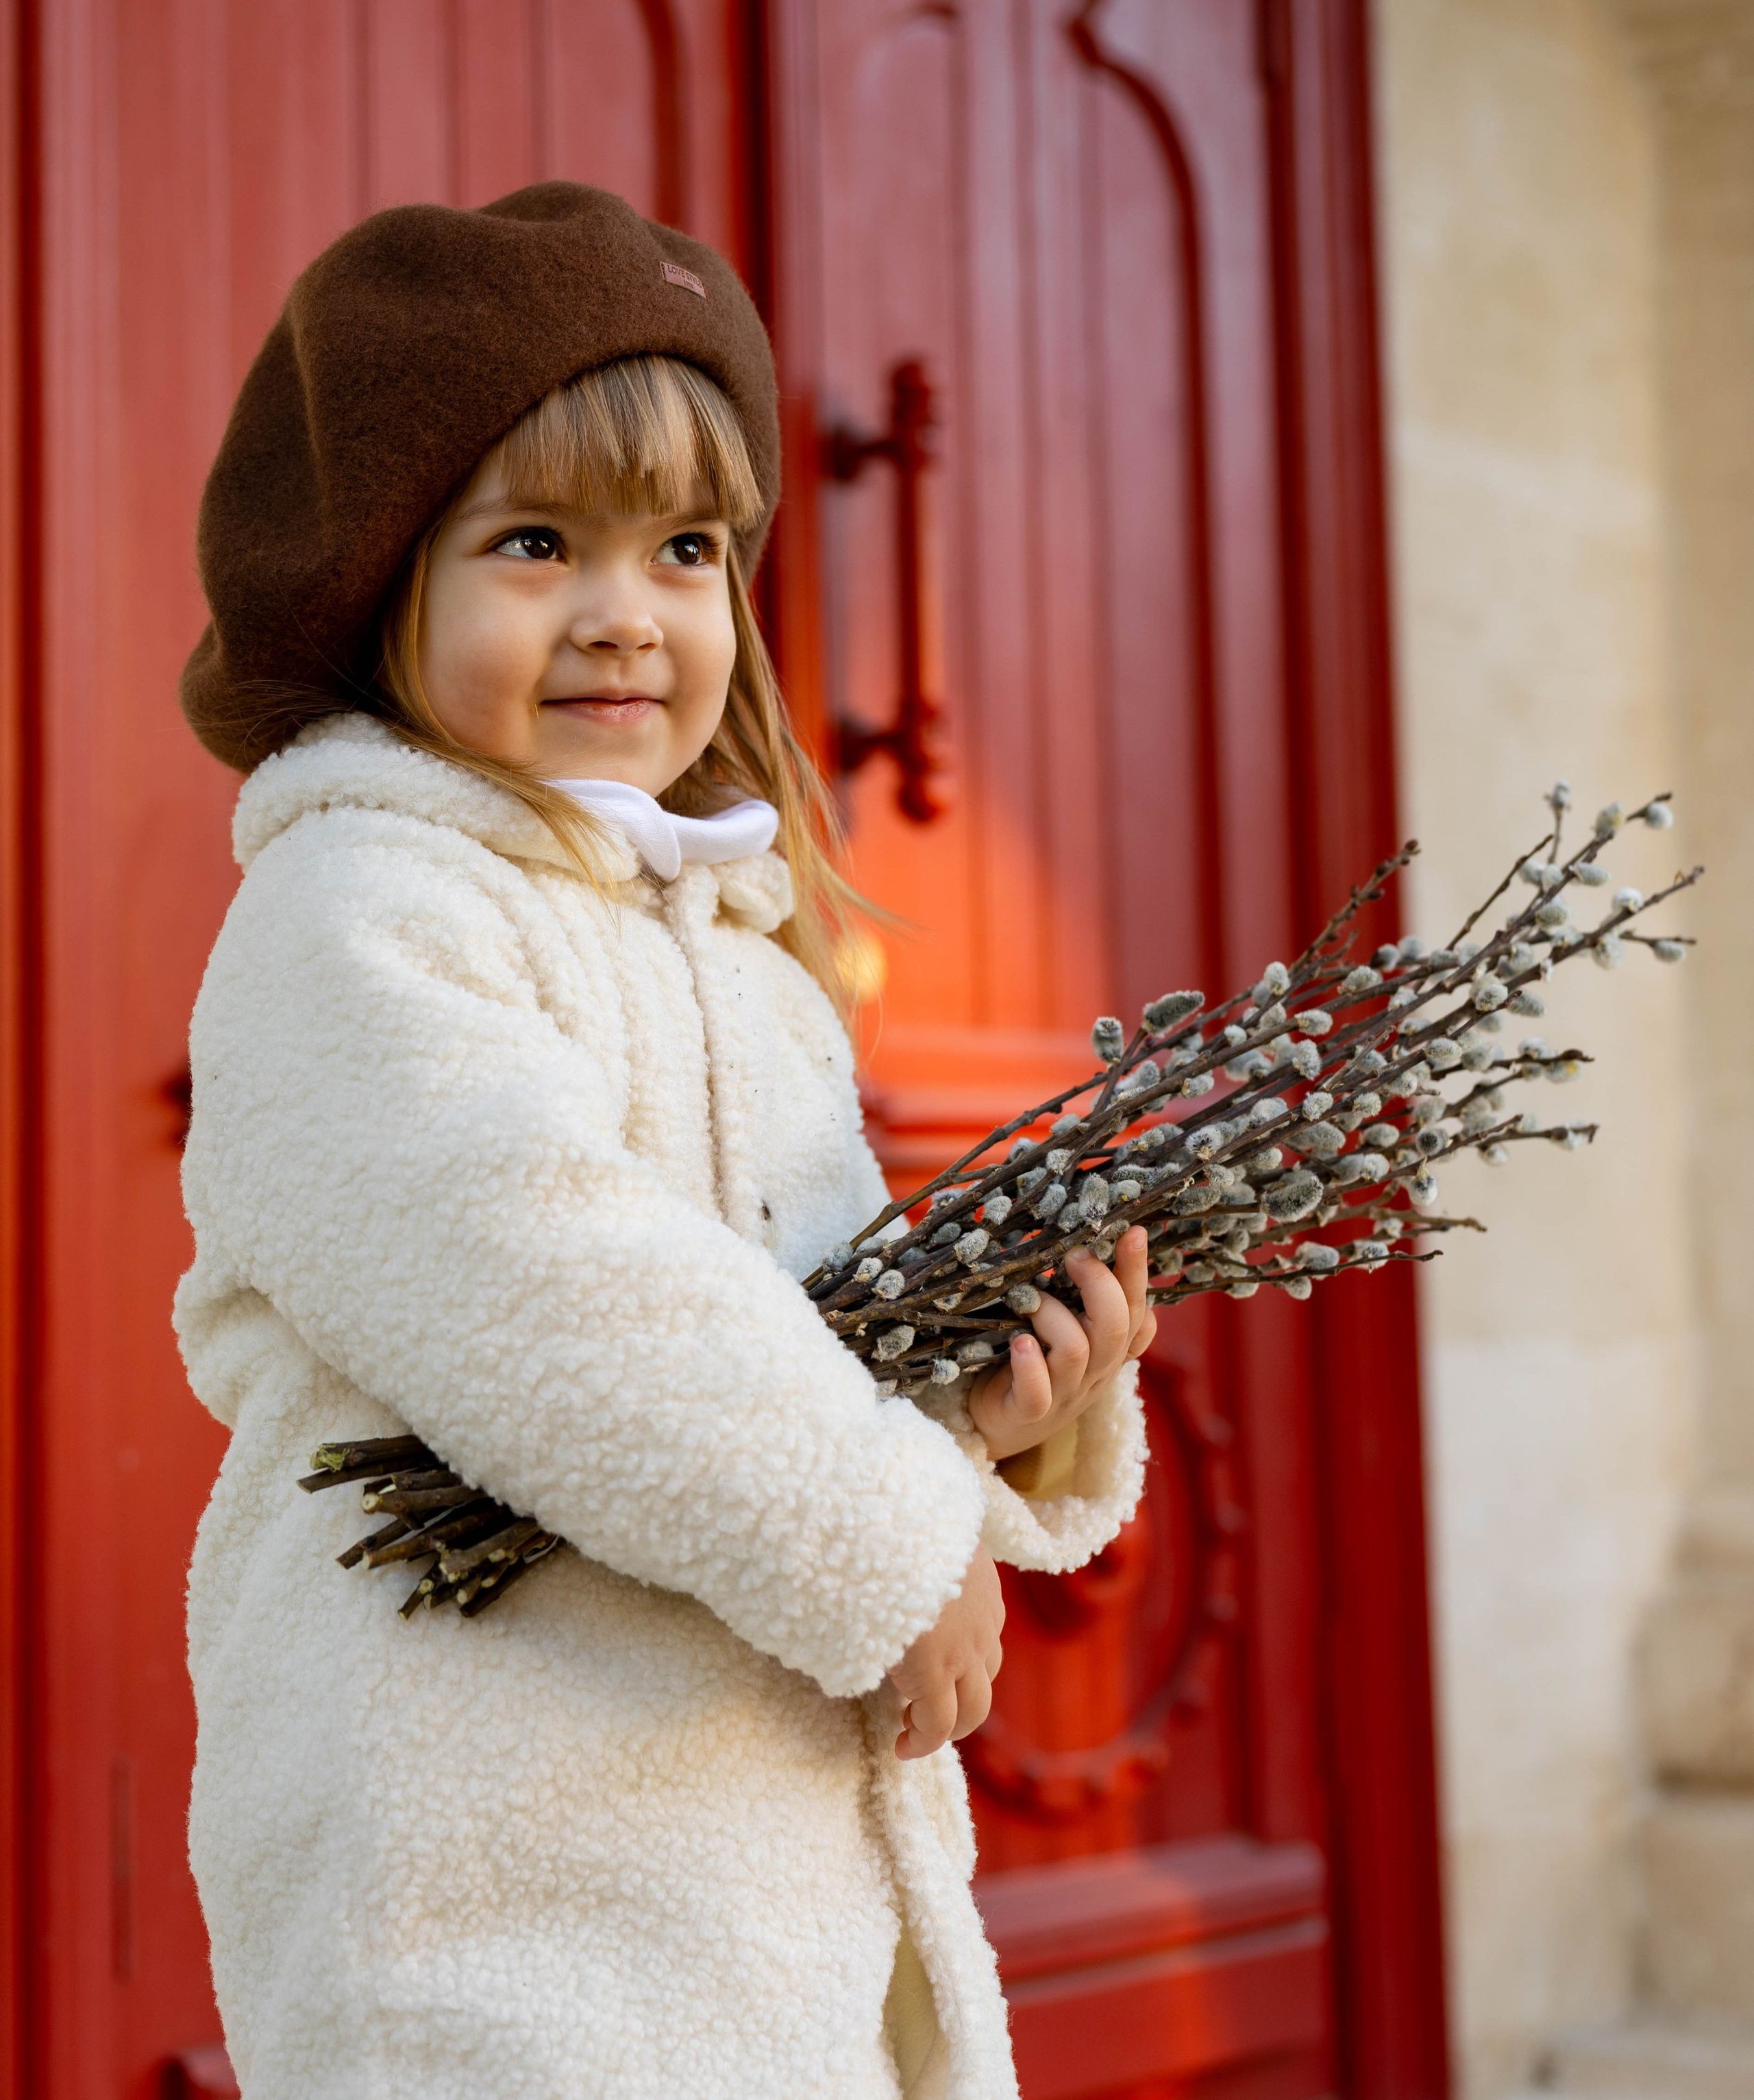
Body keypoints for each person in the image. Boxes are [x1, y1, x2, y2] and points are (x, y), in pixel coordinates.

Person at [174, 182, 1151, 2100]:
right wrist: (886, 1542)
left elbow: (811, 1333)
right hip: (486, 1880)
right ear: (385, 585)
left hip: (756, 1884)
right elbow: (545, 1280)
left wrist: (996, 1411)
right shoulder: (354, 915)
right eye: (537, 543)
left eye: (687, 547)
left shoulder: (749, 958)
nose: (630, 611)